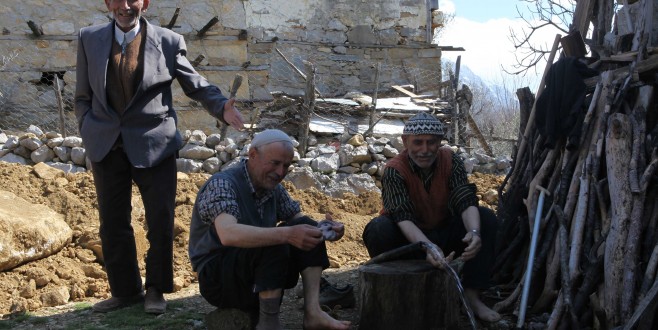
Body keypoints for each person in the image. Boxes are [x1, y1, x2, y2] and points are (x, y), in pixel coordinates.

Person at [74, 0, 244, 314]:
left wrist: (221, 106)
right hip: (106, 144)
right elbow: (82, 95)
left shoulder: (167, 41)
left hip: (155, 143)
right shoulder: (89, 38)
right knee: (112, 224)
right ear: (108, 3)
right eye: (118, 0)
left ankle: (155, 289)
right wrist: (87, 127)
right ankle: (125, 291)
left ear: (145, 3)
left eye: (133, 0)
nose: (125, 7)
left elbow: (195, 84)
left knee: (160, 221)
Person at [189, 129, 351, 330]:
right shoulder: (223, 183)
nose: (280, 172)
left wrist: (326, 229)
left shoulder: (273, 188)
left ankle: (313, 312)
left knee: (306, 226)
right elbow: (228, 234)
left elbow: (298, 222)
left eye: (286, 166)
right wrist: (287, 234)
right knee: (278, 239)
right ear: (253, 155)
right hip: (219, 279)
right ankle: (268, 323)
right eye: (275, 163)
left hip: (255, 272)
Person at [362, 112, 501, 322]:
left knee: (485, 218)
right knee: (377, 229)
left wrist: (474, 233)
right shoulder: (394, 170)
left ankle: (472, 296)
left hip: (444, 232)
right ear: (405, 142)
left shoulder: (450, 160)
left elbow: (465, 199)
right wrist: (427, 246)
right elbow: (402, 217)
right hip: (409, 239)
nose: (425, 150)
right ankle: (403, 291)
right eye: (418, 143)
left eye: (431, 143)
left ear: (439, 143)